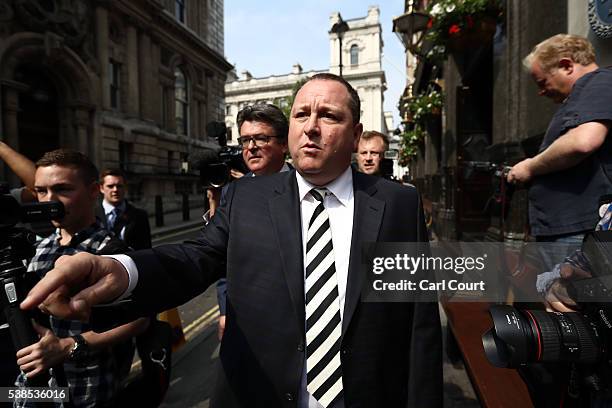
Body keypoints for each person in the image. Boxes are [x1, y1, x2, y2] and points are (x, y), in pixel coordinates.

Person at [22, 73, 443, 408]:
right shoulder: (245, 197)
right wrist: (120, 269)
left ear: (356, 135)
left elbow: (419, 324)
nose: (311, 128)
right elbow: (195, 258)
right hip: (258, 395)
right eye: (300, 115)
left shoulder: (397, 203)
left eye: (329, 116)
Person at [14, 149, 148, 407]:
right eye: (41, 191)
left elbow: (140, 319)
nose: (49, 200)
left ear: (93, 191)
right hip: (30, 389)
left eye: (62, 189)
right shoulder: (40, 246)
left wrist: (68, 346)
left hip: (86, 391)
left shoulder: (112, 253)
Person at [507, 34, 612, 271]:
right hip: (568, 229)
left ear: (566, 65)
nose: (541, 92)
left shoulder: (600, 82)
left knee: (571, 302)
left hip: (577, 231)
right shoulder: (583, 94)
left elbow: (583, 142)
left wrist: (529, 167)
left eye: (542, 82)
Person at [214, 103, 290, 341]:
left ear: (284, 143)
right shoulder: (232, 192)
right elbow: (223, 255)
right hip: (246, 319)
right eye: (245, 140)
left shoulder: (307, 188)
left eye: (260, 138)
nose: (251, 147)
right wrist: (225, 310)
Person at [97, 169, 152, 250]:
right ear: (101, 188)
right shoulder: (90, 214)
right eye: (110, 186)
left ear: (125, 187)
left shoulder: (140, 216)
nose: (115, 190)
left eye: (119, 186)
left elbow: (146, 250)